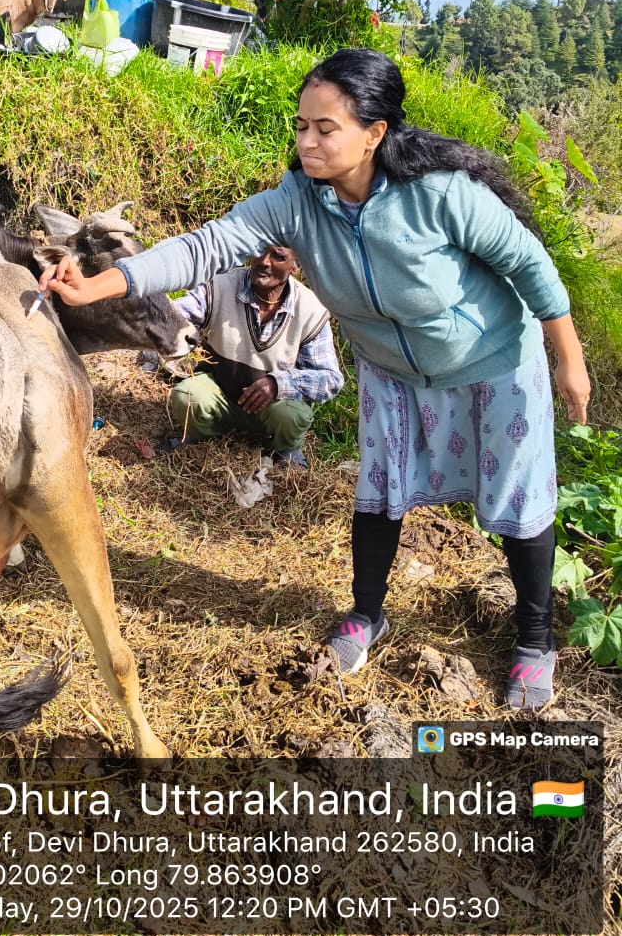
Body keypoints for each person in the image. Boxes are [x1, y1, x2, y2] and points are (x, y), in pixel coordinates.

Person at [38, 47, 590, 711]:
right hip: (393, 372)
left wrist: (569, 359)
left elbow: (529, 264)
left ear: (374, 132)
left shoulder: (439, 195)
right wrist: (101, 284)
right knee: (379, 493)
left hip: (493, 360)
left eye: (326, 128)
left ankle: (534, 638)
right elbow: (204, 247)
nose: (307, 141)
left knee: (517, 498)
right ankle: (366, 615)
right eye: (302, 126)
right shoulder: (296, 203)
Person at [164, 245, 343, 467]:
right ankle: (203, 435)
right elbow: (175, 317)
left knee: (292, 415)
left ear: (296, 266)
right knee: (187, 396)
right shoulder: (220, 286)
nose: (264, 261)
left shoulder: (310, 310)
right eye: (261, 250)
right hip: (221, 394)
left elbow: (330, 379)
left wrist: (277, 384)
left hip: (272, 411)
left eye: (278, 257)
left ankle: (283, 449)